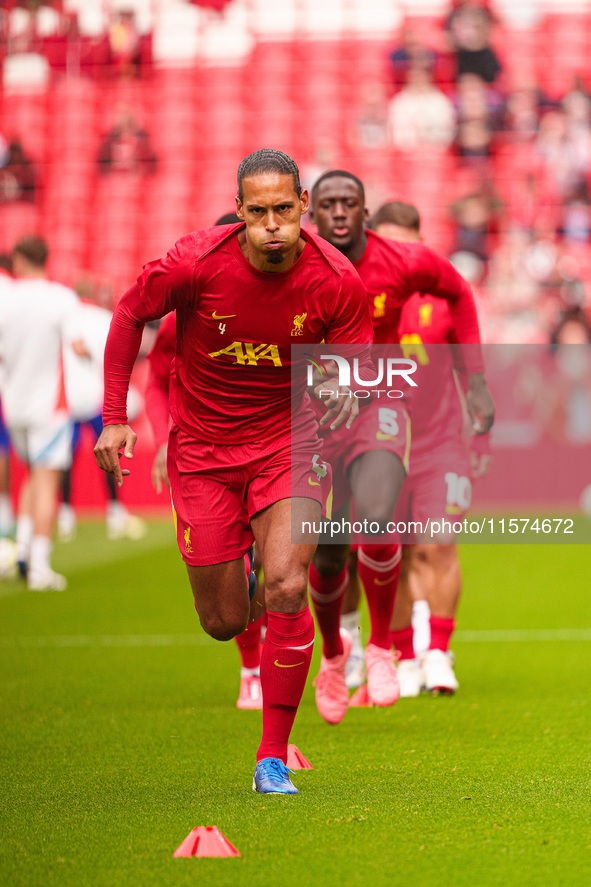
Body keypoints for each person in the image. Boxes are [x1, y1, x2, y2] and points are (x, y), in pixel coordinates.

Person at [93, 149, 374, 795]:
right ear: (240, 211)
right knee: (223, 621)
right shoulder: (192, 263)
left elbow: (354, 371)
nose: (272, 223)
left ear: (303, 206)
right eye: (258, 211)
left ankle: (271, 754)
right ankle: (241, 557)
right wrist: (115, 416)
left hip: (290, 446)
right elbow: (129, 314)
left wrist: (342, 391)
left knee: (284, 586)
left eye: (283, 209)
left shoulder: (335, 280)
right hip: (204, 454)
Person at [307, 171, 494, 723]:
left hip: (386, 412)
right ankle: (341, 653)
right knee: (324, 552)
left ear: (364, 214)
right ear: (310, 212)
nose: (340, 214)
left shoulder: (407, 270)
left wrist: (476, 383)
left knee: (390, 522)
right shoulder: (293, 259)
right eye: (328, 205)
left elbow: (459, 291)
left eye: (350, 204)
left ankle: (404, 650)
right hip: (313, 415)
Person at [370, 200, 491, 696]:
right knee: (390, 554)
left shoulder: (444, 298)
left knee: (437, 545)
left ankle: (438, 652)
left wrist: (479, 432)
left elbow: (470, 368)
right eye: (389, 242)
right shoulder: (362, 295)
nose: (399, 252)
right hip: (378, 444)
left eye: (407, 242)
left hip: (439, 443)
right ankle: (404, 653)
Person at [145, 211, 265, 711]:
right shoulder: (186, 317)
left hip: (271, 451)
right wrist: (162, 437)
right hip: (202, 455)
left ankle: (265, 676)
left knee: (277, 568)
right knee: (230, 585)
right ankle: (250, 667)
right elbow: (155, 378)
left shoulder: (291, 303)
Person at [0, 237, 85, 590]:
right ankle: (38, 567)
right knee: (46, 480)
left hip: (12, 404)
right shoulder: (60, 298)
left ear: (18, 260)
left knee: (32, 475)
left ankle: (21, 551)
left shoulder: (6, 298)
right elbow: (79, 346)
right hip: (48, 405)